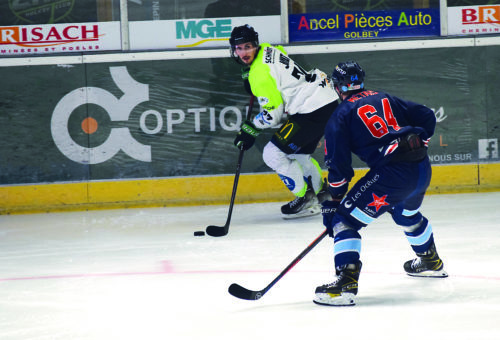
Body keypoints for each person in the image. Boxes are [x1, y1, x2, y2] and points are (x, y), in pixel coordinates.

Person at [314, 61, 448, 306]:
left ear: (336, 87)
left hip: (392, 175)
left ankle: (345, 283)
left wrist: (334, 201)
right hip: (420, 167)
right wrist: (420, 140)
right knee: (406, 213)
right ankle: (430, 260)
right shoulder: (384, 97)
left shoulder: (340, 115)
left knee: (344, 221)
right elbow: (426, 115)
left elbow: (339, 169)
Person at [229, 24, 340, 219]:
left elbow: (273, 115)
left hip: (310, 109)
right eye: (239, 48)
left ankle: (305, 198)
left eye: (248, 47)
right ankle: (323, 194)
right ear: (233, 50)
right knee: (299, 156)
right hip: (325, 99)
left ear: (255, 45)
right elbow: (280, 57)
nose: (244, 52)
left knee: (272, 154)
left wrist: (251, 128)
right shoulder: (269, 49)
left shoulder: (258, 75)